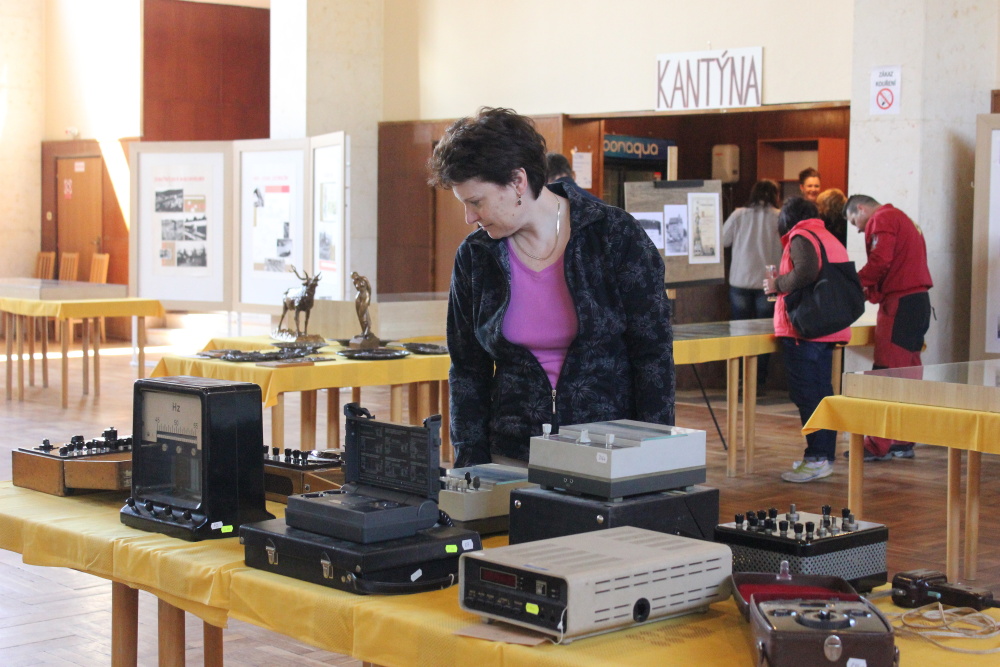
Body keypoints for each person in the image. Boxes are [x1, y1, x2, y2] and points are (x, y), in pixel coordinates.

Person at [427, 107, 675, 467]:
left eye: (476, 202)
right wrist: (471, 463)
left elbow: (653, 356)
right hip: (511, 454)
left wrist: (657, 459)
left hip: (609, 452)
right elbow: (467, 371)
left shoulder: (614, 235)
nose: (470, 218)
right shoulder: (476, 256)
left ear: (517, 181)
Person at [763, 196, 853, 483]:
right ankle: (823, 456)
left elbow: (806, 271)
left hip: (805, 330)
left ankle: (816, 458)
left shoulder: (801, 236)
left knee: (807, 394)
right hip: (827, 326)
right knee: (822, 393)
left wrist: (777, 284)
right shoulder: (827, 235)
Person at [845, 194, 933, 460]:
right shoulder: (903, 219)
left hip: (899, 305)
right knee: (909, 374)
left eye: (854, 221)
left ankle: (877, 444)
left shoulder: (882, 218)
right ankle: (902, 439)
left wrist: (853, 285)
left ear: (861, 208)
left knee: (885, 374)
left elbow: (880, 261)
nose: (857, 229)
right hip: (918, 302)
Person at [722, 179, 782, 388]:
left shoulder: (739, 215)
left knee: (740, 331)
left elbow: (723, 240)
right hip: (769, 280)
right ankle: (759, 380)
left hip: (741, 278)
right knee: (764, 334)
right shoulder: (780, 217)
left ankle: (739, 378)